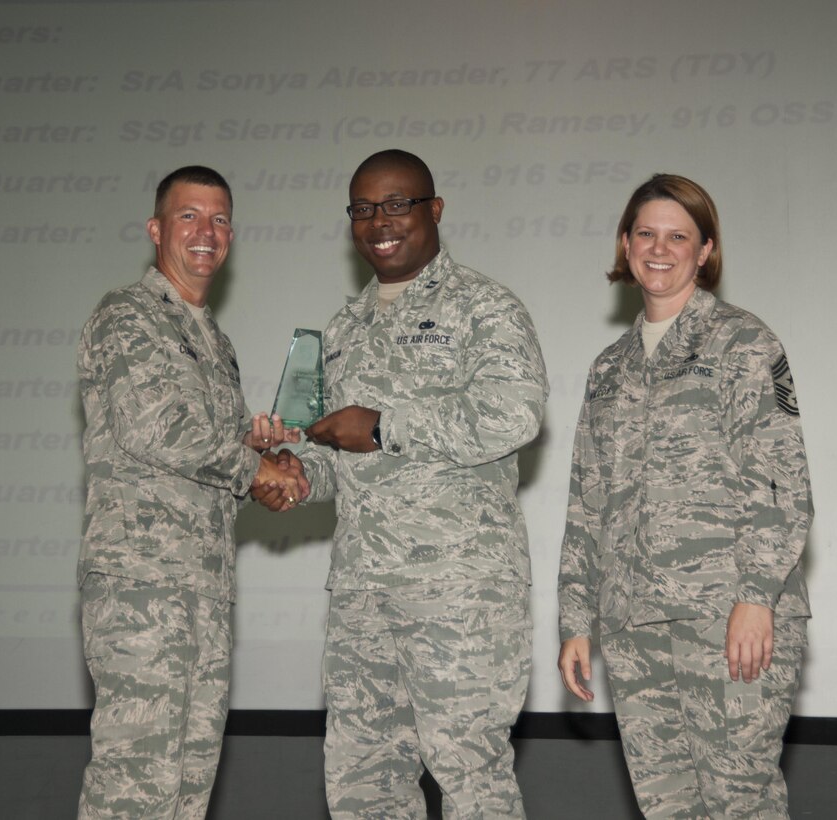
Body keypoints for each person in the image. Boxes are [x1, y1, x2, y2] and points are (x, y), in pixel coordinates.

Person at [262, 149, 548, 818]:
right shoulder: (342, 329)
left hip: (459, 598)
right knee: (364, 783)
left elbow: (514, 415)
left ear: (434, 210)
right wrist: (298, 476)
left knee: (471, 778)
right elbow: (342, 452)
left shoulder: (486, 308)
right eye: (363, 209)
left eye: (396, 204)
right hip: (364, 600)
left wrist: (387, 424)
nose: (378, 222)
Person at [557, 173, 812, 818]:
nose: (660, 248)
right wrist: (576, 620)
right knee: (667, 807)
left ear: (705, 251)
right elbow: (586, 501)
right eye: (646, 233)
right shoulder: (609, 367)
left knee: (738, 803)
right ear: (625, 243)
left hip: (726, 618)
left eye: (679, 236)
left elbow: (780, 478)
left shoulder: (743, 342)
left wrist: (757, 596)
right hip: (632, 623)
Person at [75, 165, 305, 819]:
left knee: (186, 791)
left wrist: (264, 456)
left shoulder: (217, 345)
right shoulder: (127, 315)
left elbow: (209, 463)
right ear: (156, 229)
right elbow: (153, 427)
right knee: (133, 789)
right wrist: (255, 471)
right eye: (189, 216)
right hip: (141, 590)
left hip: (203, 596)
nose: (207, 232)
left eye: (220, 218)